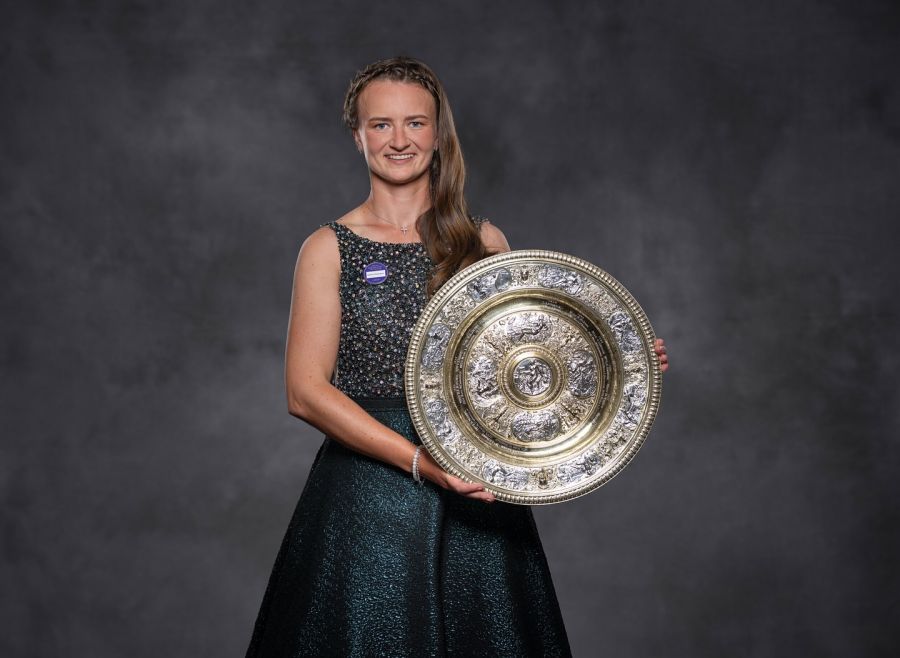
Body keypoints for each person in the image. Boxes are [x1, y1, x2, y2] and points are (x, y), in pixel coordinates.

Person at [245, 56, 669, 658]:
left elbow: (527, 362)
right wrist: (422, 462)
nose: (399, 140)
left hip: (477, 488)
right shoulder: (327, 248)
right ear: (358, 135)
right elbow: (305, 392)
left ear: (438, 133)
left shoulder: (483, 243)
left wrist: (623, 366)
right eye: (382, 124)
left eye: (415, 123)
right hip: (370, 494)